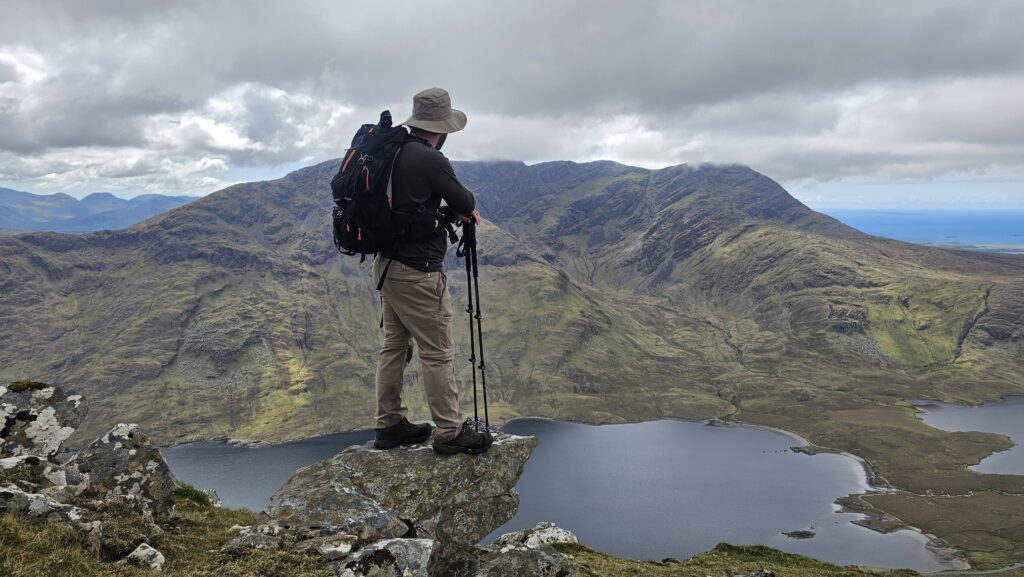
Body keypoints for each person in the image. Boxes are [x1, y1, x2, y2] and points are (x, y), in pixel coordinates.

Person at [371, 87, 492, 455]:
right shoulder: (428, 158)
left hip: (387, 265)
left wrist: (437, 214)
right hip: (419, 272)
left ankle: (389, 424)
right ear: (441, 128)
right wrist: (453, 211)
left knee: (393, 346)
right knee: (437, 352)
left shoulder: (389, 151)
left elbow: (406, 209)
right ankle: (451, 431)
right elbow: (465, 202)